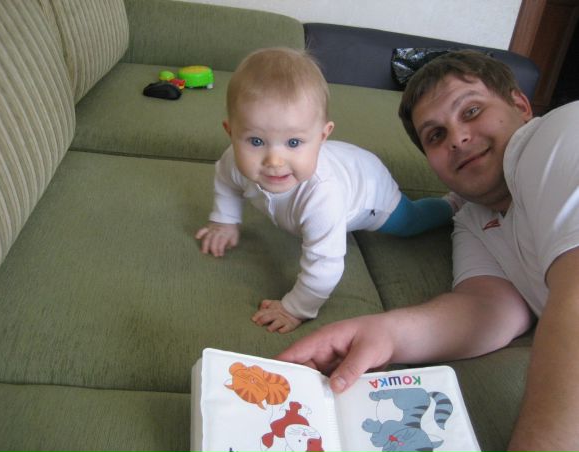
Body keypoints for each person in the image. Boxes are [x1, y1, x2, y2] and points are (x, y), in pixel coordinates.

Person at [277, 50, 579, 450]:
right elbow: (487, 309)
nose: (457, 138)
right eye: (436, 135)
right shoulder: (473, 218)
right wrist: (385, 332)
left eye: (471, 111)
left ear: (521, 106)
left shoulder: (559, 135)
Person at [195, 48, 461, 333]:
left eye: (294, 143)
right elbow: (226, 182)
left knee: (411, 221)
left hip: (369, 189)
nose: (274, 161)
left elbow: (325, 266)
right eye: (256, 141)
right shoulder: (232, 161)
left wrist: (295, 308)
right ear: (231, 132)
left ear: (323, 136)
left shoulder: (322, 196)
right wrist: (225, 220)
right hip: (344, 165)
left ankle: (453, 204)